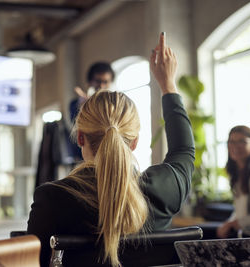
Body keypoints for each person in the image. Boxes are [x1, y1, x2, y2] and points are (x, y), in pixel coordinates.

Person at [27, 32, 194, 266]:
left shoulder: (53, 198)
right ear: (134, 142)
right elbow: (184, 150)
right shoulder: (166, 189)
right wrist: (168, 86)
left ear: (81, 138)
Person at [216, 125, 250, 238]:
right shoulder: (237, 174)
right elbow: (239, 211)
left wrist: (234, 223)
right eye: (232, 142)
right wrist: (228, 223)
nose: (236, 146)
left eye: (242, 141)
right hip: (243, 233)